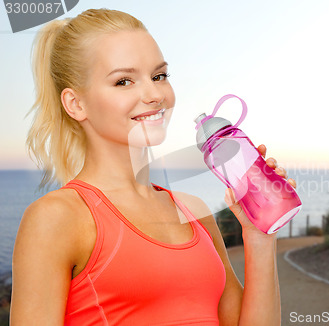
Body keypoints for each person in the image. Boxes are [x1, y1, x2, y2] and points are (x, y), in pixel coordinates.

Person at [10, 8, 296, 326]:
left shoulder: (192, 210)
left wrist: (259, 238)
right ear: (76, 104)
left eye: (159, 76)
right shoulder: (57, 218)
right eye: (123, 81)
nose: (154, 94)